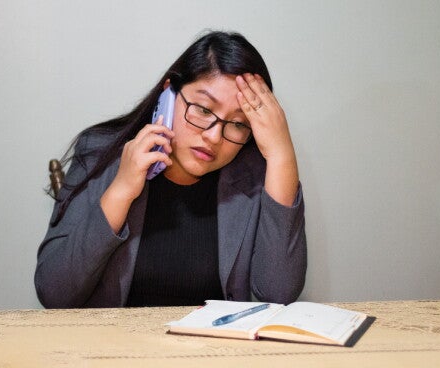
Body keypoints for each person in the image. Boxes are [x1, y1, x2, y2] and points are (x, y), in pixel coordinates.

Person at [34, 31, 307, 308]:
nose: (214, 136)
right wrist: (121, 190)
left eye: (238, 124)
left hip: (210, 349)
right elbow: (54, 293)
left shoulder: (253, 177)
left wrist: (281, 154)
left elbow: (278, 293)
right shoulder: (99, 152)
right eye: (202, 109)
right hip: (113, 347)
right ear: (169, 94)